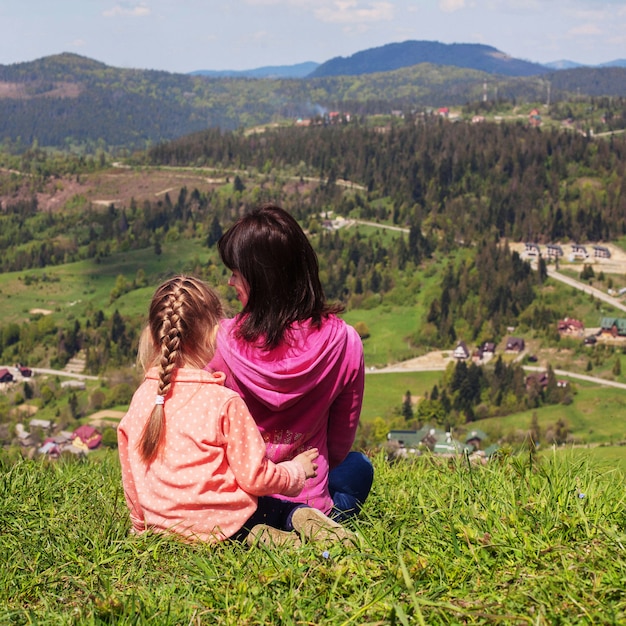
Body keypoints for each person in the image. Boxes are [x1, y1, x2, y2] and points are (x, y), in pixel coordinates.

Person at [118, 275, 354, 547]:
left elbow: (131, 480)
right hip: (226, 523)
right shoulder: (223, 402)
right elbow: (255, 478)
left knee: (251, 522)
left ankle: (263, 537)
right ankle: (310, 531)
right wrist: (295, 472)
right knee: (284, 509)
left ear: (154, 334)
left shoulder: (141, 400)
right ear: (214, 333)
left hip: (164, 529)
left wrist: (140, 528)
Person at [207, 205, 374, 523]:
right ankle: (325, 521)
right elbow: (338, 448)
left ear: (260, 280)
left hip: (239, 504)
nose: (230, 282)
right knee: (359, 467)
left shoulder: (219, 344)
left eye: (236, 273)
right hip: (309, 498)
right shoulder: (344, 342)